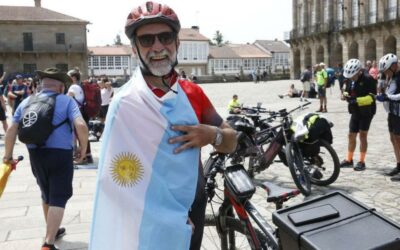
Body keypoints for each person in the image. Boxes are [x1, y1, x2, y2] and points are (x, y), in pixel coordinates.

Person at [89, 2, 237, 250]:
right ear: (135, 49)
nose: (157, 47)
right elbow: (114, 180)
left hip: (192, 204)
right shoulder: (125, 103)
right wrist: (165, 220)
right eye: (146, 40)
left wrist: (213, 134)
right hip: (144, 218)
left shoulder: (193, 93)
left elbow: (232, 141)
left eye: (165, 37)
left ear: (176, 43)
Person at [3, 68, 88, 250]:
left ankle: (53, 230)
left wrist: (7, 156)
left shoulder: (26, 101)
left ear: (42, 85)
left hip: (36, 154)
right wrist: (83, 148)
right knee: (59, 196)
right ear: (60, 87)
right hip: (60, 154)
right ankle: (48, 243)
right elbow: (80, 125)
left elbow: (11, 130)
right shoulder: (66, 101)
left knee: (46, 192)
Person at [340, 59, 377, 171]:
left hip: (367, 111)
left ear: (358, 71)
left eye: (352, 75)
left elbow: (372, 97)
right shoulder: (349, 80)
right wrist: (345, 95)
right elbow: (347, 91)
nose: (350, 77)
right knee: (351, 135)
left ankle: (361, 161)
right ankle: (349, 160)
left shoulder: (368, 79)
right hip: (355, 111)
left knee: (362, 135)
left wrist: (356, 100)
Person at [376, 54, 400, 181]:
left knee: (399, 139)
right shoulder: (391, 77)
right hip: (392, 112)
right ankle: (398, 164)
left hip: (399, 113)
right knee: (393, 138)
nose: (385, 73)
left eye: (386, 70)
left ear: (394, 66)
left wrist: (387, 97)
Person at [67, 69, 94, 164]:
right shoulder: (80, 86)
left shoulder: (73, 87)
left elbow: (67, 99)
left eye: (68, 76)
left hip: (78, 113)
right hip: (83, 112)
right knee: (83, 134)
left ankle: (83, 157)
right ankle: (87, 155)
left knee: (79, 135)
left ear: (73, 78)